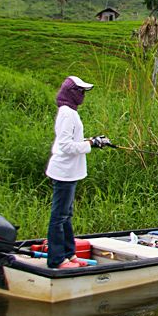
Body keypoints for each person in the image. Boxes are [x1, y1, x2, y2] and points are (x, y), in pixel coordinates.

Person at [45, 76, 110, 269]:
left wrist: (93, 140)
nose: (83, 95)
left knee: (66, 214)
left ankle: (69, 254)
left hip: (71, 172)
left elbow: (73, 140)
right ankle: (57, 260)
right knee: (59, 216)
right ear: (72, 93)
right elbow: (65, 146)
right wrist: (91, 143)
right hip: (64, 171)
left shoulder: (70, 112)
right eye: (80, 92)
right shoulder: (66, 113)